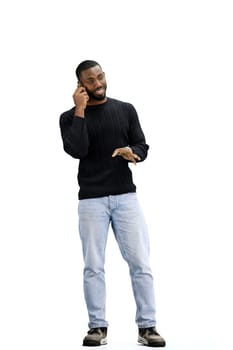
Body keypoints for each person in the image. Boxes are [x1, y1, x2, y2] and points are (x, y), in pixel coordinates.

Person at [59, 60, 166, 347]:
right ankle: (97, 328)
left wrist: (133, 152)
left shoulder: (126, 109)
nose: (98, 84)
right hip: (91, 200)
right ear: (81, 86)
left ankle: (148, 328)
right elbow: (76, 150)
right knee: (93, 266)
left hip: (125, 197)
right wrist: (80, 110)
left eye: (100, 77)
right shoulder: (69, 117)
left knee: (140, 263)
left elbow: (142, 145)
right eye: (90, 81)